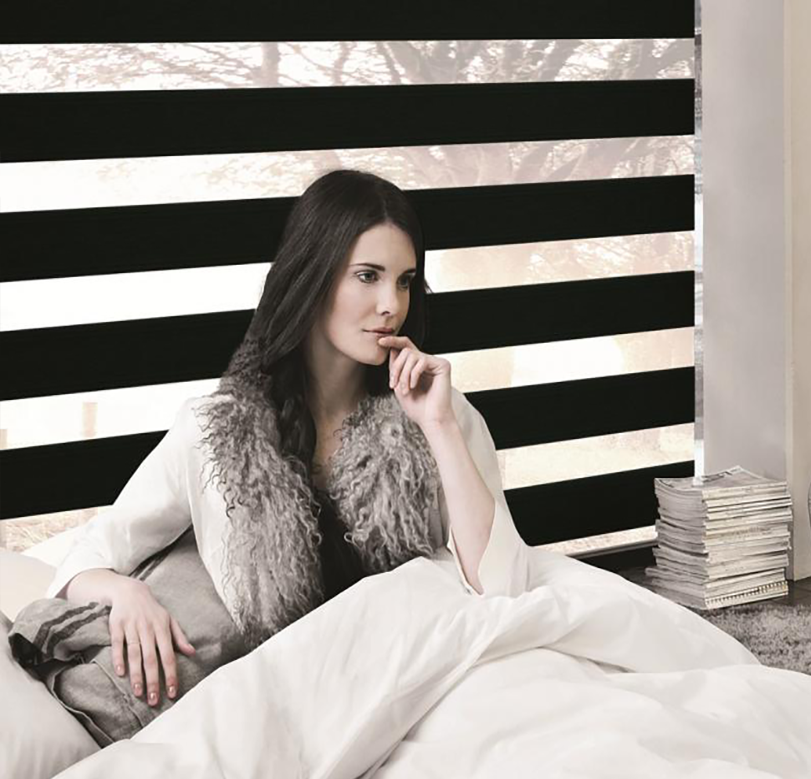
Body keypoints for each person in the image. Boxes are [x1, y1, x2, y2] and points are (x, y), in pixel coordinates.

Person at [45, 168, 529, 714]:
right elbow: (89, 554)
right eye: (367, 276)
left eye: (404, 281)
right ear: (313, 276)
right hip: (294, 703)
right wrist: (126, 593)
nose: (392, 304)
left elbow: (504, 583)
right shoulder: (216, 431)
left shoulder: (441, 411)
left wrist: (438, 427)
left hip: (420, 682)